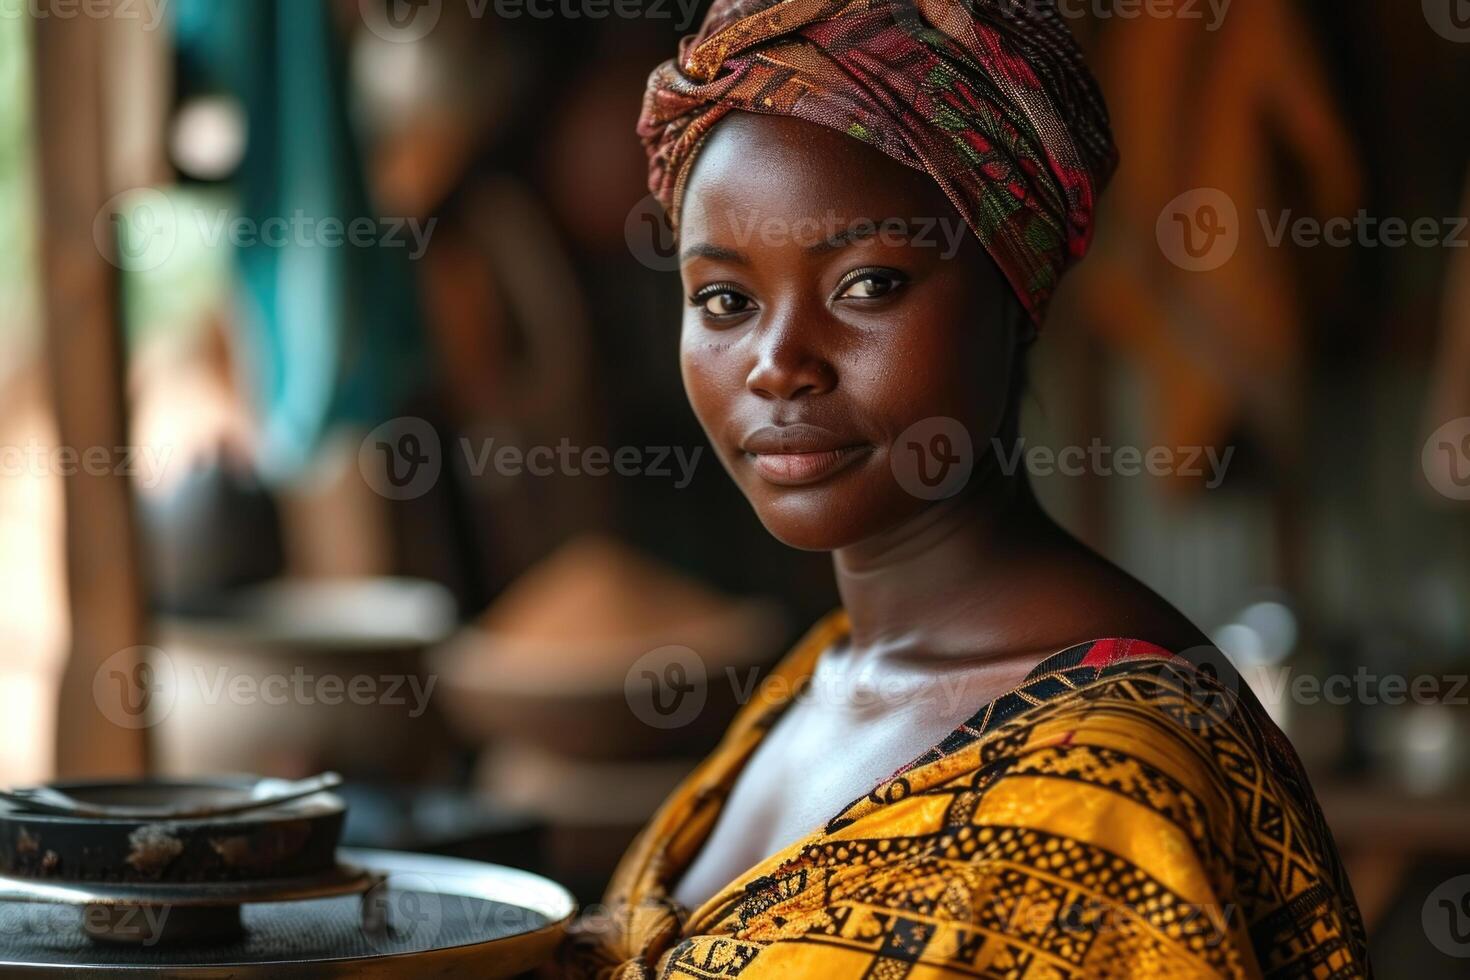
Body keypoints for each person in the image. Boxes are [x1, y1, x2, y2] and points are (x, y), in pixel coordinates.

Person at [560, 0, 1371, 976]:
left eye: (867, 285)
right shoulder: (821, 676)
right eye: (725, 300)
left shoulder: (1110, 788)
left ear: (1015, 295)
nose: (777, 365)